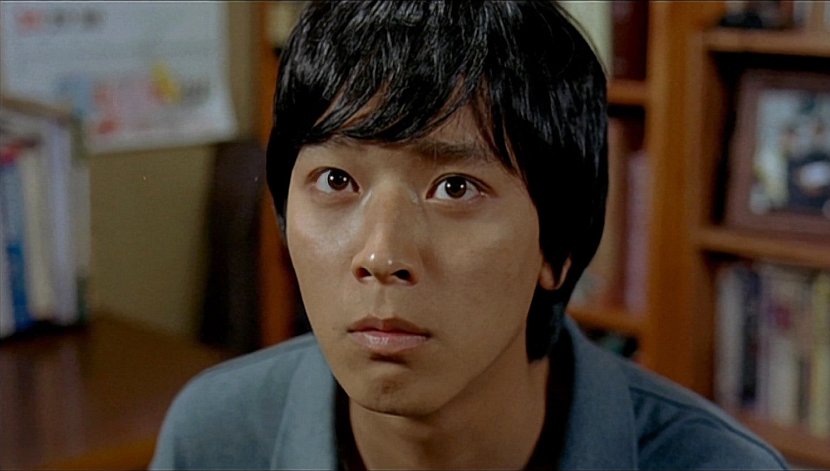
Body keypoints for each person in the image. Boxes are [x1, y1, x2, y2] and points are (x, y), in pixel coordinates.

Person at [150, 2, 787, 469]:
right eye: (337, 180)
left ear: (558, 246)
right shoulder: (214, 437)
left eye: (456, 188)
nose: (381, 255)